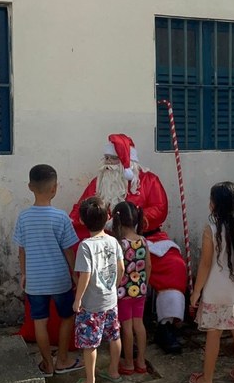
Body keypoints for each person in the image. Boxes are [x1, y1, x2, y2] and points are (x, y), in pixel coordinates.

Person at [70, 133, 187, 354]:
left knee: (174, 265)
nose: (107, 164)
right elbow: (81, 207)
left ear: (127, 162)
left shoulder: (149, 180)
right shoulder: (98, 183)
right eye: (105, 158)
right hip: (107, 242)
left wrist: (132, 220)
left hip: (146, 238)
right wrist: (76, 218)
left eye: (112, 159)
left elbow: (160, 208)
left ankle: (166, 325)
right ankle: (112, 329)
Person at [13, 164, 82, 377]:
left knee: (39, 322)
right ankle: (62, 359)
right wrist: (74, 274)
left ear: (30, 187)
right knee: (67, 317)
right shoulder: (61, 218)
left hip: (35, 280)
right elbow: (69, 251)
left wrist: (24, 274)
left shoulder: (23, 218)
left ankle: (47, 365)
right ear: (55, 188)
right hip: (59, 279)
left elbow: (21, 251)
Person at [189, 181, 234, 383]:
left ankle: (207, 380)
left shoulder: (211, 229)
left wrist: (196, 291)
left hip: (216, 291)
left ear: (216, 204)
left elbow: (206, 264)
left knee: (214, 334)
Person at [73, 196, 125, 383]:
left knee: (90, 343)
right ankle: (114, 372)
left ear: (83, 221)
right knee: (114, 336)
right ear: (108, 216)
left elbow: (85, 275)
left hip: (91, 304)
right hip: (111, 300)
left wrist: (78, 299)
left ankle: (90, 382)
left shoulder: (86, 246)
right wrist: (114, 285)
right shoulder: (113, 241)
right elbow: (121, 268)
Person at [112, 200, 151, 375]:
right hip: (140, 289)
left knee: (126, 327)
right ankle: (141, 362)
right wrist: (144, 283)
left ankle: (128, 363)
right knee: (139, 325)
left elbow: (117, 269)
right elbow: (148, 266)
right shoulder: (143, 240)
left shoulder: (119, 243)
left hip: (123, 292)